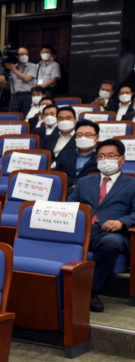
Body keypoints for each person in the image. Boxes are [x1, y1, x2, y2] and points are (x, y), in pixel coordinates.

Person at [69, 139, 135, 312]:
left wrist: (122, 222)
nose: (105, 160)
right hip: (82, 231)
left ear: (121, 159)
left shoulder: (132, 184)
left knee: (110, 243)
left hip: (112, 234)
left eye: (111, 156)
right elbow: (70, 206)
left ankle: (91, 291)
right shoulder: (84, 182)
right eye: (101, 156)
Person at [54, 120, 100, 196]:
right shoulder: (65, 154)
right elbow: (57, 176)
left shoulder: (102, 156)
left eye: (88, 135)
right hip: (64, 192)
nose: (83, 138)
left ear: (96, 137)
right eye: (79, 135)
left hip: (90, 193)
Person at [0, 47, 38, 113]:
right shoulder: (11, 67)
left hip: (27, 95)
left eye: (26, 54)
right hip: (14, 96)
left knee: (26, 117)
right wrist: (0, 82)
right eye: (22, 54)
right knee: (12, 118)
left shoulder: (32, 66)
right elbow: (7, 87)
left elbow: (27, 79)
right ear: (16, 56)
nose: (25, 56)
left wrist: (14, 70)